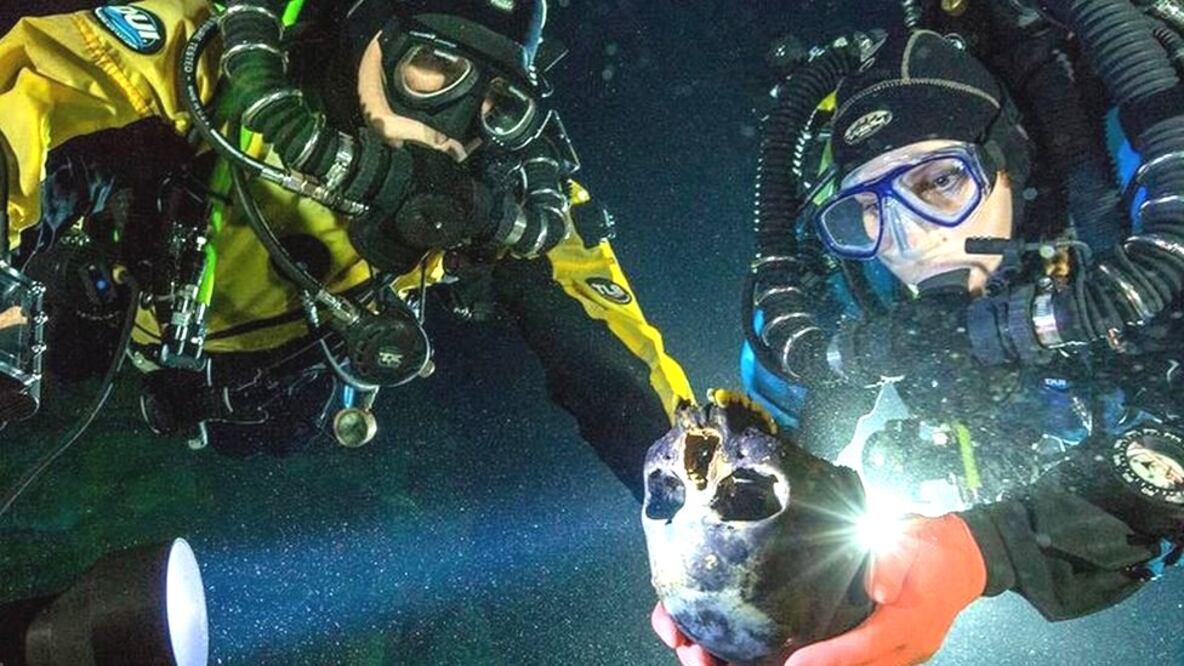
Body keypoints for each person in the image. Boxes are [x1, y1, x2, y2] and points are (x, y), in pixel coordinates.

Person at [653, 8, 1184, 664]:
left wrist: (987, 548)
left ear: (1008, 156)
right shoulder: (860, 264)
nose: (912, 236)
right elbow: (774, 431)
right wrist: (725, 553)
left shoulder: (1135, 209)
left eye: (940, 181)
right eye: (868, 207)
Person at [0, 0, 692, 502]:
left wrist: (709, 488)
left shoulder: (505, 191)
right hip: (119, 294)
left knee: (279, 435)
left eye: (496, 103)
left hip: (289, 372)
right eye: (433, 66)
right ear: (369, 27)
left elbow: (612, 354)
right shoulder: (211, 55)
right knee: (65, 348)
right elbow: (35, 84)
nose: (450, 132)